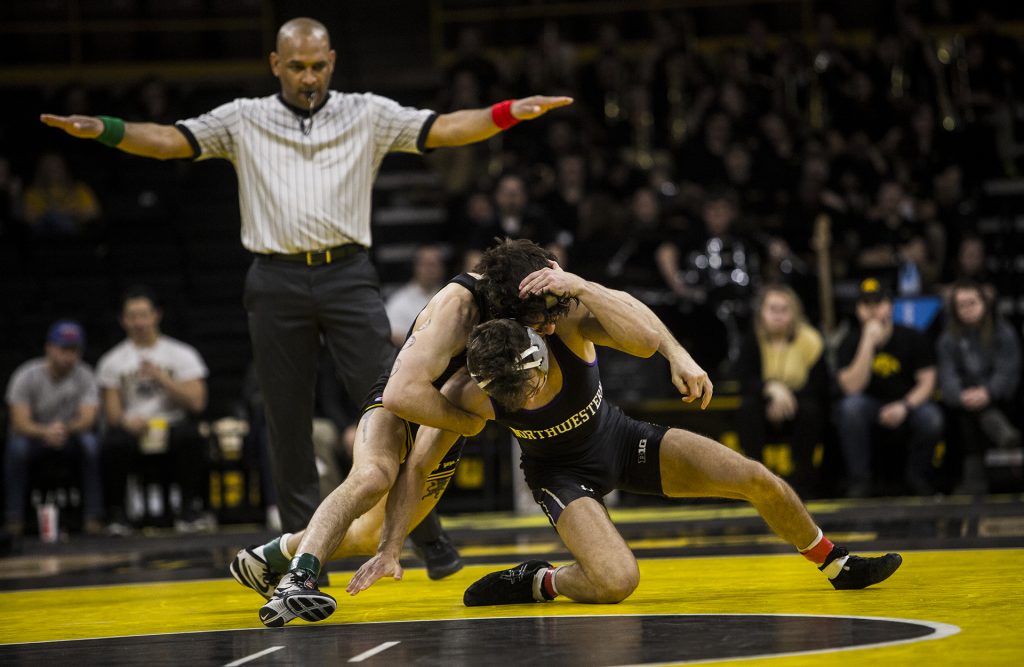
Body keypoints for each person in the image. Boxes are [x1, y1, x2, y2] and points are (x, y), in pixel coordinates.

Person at [40, 17, 571, 560]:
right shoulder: (243, 118)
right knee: (286, 418)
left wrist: (507, 112)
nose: (308, 77)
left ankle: (423, 530)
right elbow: (171, 141)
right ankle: (301, 555)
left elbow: (446, 128)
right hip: (275, 277)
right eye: (296, 66)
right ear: (276, 65)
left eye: (317, 66)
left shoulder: (366, 111)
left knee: (395, 395)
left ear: (332, 61)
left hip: (347, 272)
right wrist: (105, 128)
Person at [344, 263, 901, 609]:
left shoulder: (562, 323)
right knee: (616, 581)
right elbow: (418, 465)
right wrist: (393, 546)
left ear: (537, 341)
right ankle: (537, 582)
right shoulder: (473, 389)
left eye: (534, 377)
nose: (532, 391)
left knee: (756, 478)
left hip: (620, 440)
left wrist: (661, 342)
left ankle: (835, 562)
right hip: (559, 475)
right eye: (518, 393)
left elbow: (640, 330)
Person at [234, 239, 713, 626]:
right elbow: (404, 395)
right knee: (374, 476)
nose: (550, 323)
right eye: (541, 317)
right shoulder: (457, 309)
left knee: (370, 534)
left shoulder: (540, 289)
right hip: (409, 396)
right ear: (505, 307)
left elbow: (629, 313)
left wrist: (676, 353)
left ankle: (270, 555)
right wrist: (470, 421)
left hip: (460, 398)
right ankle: (298, 579)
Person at [96, 286, 211, 532]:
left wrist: (162, 378)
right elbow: (113, 413)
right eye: (132, 316)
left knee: (191, 435)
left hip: (171, 424)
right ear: (123, 320)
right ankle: (117, 514)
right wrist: (127, 421)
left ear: (156, 315)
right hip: (134, 427)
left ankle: (190, 509)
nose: (138, 322)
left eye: (143, 314)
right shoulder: (112, 361)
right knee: (113, 442)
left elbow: (197, 402)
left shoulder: (182, 354)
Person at [835, 277, 944, 497]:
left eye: (879, 303)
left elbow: (928, 382)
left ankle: (918, 478)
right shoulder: (849, 341)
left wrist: (904, 406)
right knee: (849, 408)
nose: (873, 311)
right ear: (858, 310)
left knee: (931, 417)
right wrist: (867, 343)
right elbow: (851, 387)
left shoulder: (912, 336)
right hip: (869, 405)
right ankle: (860, 480)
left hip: (907, 403)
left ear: (891, 306)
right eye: (866, 305)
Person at [4, 320, 103, 536]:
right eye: (63, 349)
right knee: (16, 448)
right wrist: (45, 432)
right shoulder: (26, 375)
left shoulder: (85, 375)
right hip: (34, 436)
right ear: (49, 347)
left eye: (74, 350)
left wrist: (63, 429)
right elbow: (19, 422)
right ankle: (14, 517)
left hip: (70, 435)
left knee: (91, 444)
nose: (68, 356)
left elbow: (88, 419)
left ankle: (93, 515)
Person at [735, 284, 829, 496]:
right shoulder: (752, 339)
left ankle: (803, 480)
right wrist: (771, 389)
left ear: (794, 313)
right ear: (762, 313)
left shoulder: (810, 339)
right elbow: (744, 380)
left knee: (811, 410)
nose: (778, 316)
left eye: (784, 310)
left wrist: (787, 398)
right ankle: (756, 479)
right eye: (772, 310)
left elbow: (820, 385)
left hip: (799, 405)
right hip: (764, 406)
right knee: (747, 408)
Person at [936, 281, 1021, 494]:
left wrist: (987, 392)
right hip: (962, 400)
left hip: (1001, 397)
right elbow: (947, 376)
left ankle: (974, 480)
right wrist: (961, 395)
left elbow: (1008, 372)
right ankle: (998, 430)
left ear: (984, 303)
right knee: (970, 413)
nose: (968, 309)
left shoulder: (1004, 333)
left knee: (977, 412)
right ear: (954, 310)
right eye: (961, 305)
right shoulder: (948, 339)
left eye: (972, 303)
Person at [385, 244, 447, 347]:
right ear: (415, 266)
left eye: (436, 264)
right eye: (427, 264)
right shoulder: (399, 301)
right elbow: (393, 335)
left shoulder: (452, 296)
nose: (431, 270)